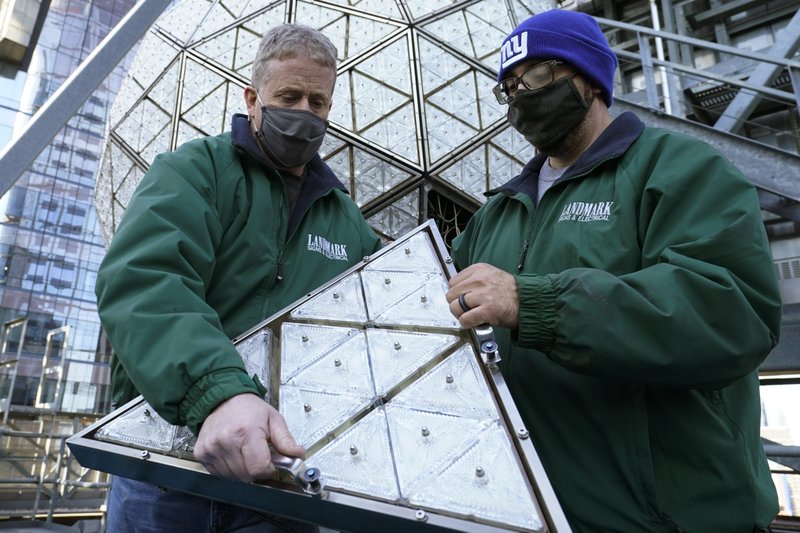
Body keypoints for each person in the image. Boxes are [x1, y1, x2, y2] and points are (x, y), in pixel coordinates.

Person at [446, 9, 781, 533]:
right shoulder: (496, 213)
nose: (521, 97)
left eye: (536, 78)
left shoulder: (678, 169)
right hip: (536, 512)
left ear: (589, 76)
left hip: (667, 519)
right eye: (508, 88)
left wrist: (534, 303)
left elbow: (730, 314)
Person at [95, 24, 381, 532]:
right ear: (253, 100)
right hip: (168, 470)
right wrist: (219, 394)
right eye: (289, 96)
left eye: (318, 101)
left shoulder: (348, 222)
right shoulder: (193, 171)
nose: (305, 113)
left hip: (279, 486)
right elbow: (146, 280)